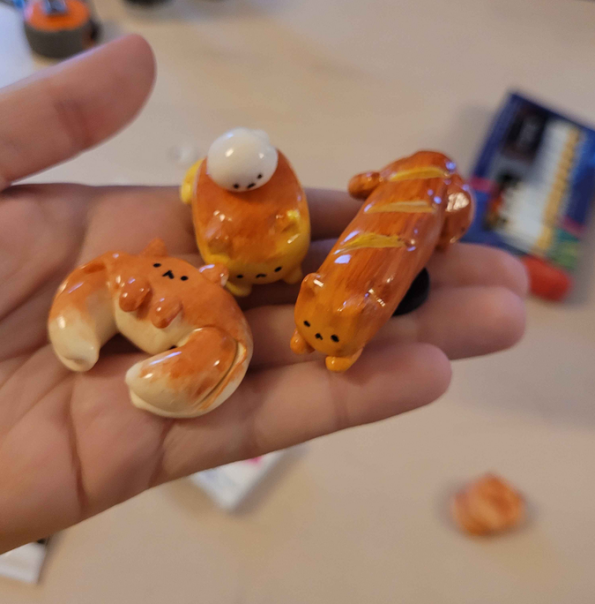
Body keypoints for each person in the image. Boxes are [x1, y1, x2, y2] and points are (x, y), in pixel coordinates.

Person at [0, 35, 527, 553]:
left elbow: (229, 332)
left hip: (272, 274)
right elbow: (169, 213)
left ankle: (278, 272)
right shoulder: (156, 236)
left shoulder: (249, 275)